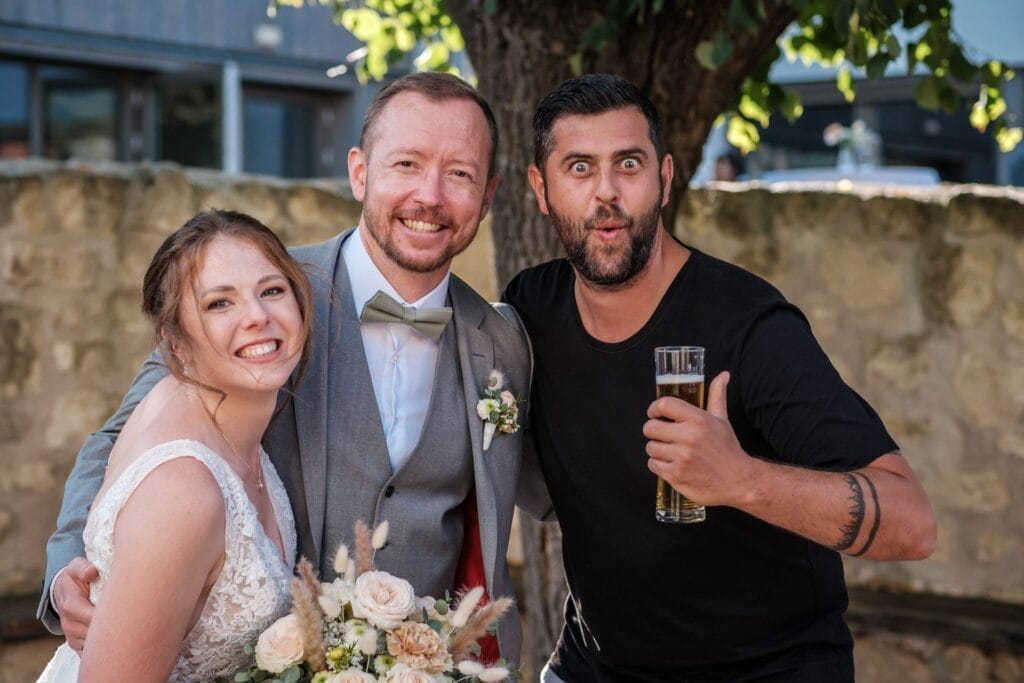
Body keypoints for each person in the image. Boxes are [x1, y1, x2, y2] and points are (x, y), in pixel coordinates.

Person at [39, 73, 534, 664]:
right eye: (406, 164)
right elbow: (126, 439)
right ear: (359, 171)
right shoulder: (266, 299)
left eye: (459, 174)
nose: (430, 195)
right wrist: (69, 568)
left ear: (488, 195)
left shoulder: (504, 342)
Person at [503, 74, 937, 681]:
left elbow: (912, 522)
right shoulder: (529, 310)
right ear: (540, 189)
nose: (606, 192)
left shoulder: (749, 326)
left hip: (764, 669)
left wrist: (742, 480)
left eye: (628, 163)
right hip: (597, 667)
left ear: (664, 178)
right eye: (579, 167)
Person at [37, 209, 313, 680]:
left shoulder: (231, 425)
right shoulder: (183, 492)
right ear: (175, 345)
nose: (258, 317)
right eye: (219, 304)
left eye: (271, 291)